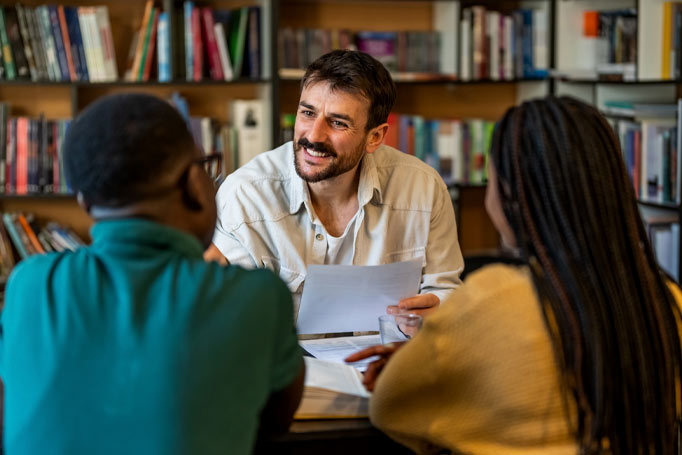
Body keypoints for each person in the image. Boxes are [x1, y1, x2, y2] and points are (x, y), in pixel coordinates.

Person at [347, 96, 682, 454]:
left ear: (510, 194)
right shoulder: (668, 302)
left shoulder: (495, 299)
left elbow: (388, 409)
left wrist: (414, 368)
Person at [0, 94, 304, 455]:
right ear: (194, 183)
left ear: (84, 202)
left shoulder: (30, 284)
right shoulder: (257, 298)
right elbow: (274, 422)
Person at [205, 50, 464, 319]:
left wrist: (432, 316)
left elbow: (444, 289)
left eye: (337, 123)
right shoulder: (245, 196)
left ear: (374, 137)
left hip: (388, 355)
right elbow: (234, 317)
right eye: (307, 113)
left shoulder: (424, 188)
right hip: (289, 359)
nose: (313, 136)